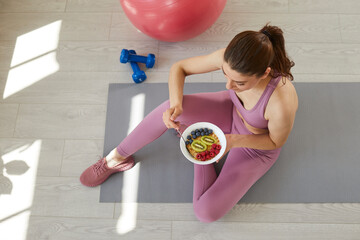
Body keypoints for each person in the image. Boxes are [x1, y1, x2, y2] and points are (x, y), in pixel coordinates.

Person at [80, 24, 298, 223]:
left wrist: (230, 141)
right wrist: (177, 105)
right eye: (225, 74)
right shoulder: (230, 59)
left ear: (264, 73)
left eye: (239, 83)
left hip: (254, 146)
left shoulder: (281, 102)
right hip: (229, 110)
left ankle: (200, 155)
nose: (228, 85)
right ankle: (115, 158)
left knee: (206, 212)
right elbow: (180, 68)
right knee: (168, 109)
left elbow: (274, 141)